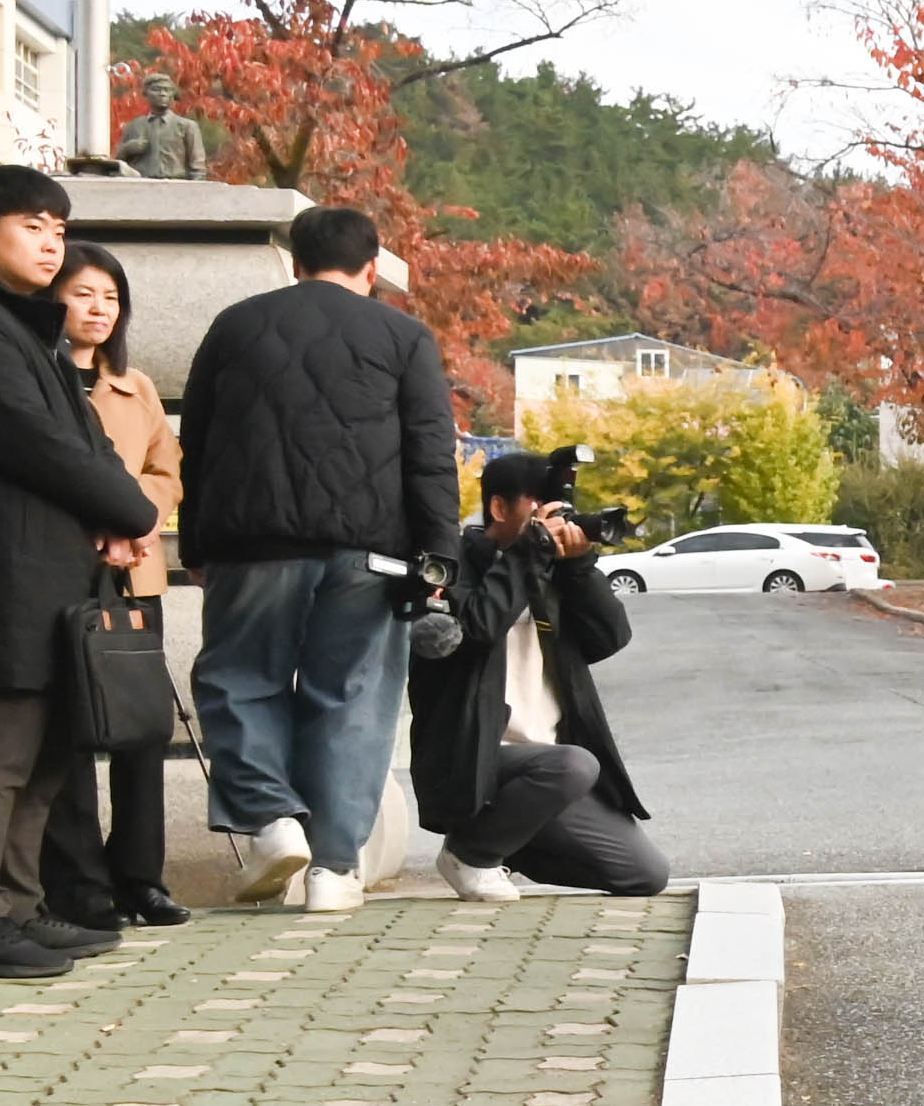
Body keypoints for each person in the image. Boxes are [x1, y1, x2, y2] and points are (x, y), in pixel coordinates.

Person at [0, 168, 163, 980]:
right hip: (1, 568)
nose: (51, 240)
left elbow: (85, 438)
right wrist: (135, 513)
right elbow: (33, 442)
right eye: (31, 225)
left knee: (53, 746)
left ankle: (19, 905)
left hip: (54, 565)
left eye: (58, 226)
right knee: (5, 741)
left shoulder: (28, 329)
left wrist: (118, 517)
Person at [179, 202, 459, 910]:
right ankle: (334, 869)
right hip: (371, 554)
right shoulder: (404, 336)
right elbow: (431, 458)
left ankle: (273, 821)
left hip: (253, 544)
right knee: (355, 699)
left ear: (293, 262)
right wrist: (438, 562)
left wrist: (198, 543)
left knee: (241, 678)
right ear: (373, 267)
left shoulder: (236, 326)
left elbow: (199, 446)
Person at [408, 452, 669, 898]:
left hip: (546, 768)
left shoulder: (551, 568)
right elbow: (477, 627)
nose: (550, 522)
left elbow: (610, 638)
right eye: (538, 507)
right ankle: (470, 853)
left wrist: (578, 565)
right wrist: (527, 553)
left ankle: (499, 843)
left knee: (644, 875)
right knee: (575, 763)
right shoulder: (452, 563)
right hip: (473, 756)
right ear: (499, 508)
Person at [37, 241, 188, 931]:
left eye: (110, 298)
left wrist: (136, 515)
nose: (98, 310)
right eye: (83, 294)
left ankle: (140, 878)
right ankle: (78, 884)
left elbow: (166, 469)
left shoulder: (139, 386)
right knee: (65, 731)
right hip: (64, 576)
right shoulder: (36, 378)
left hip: (135, 577)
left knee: (140, 729)